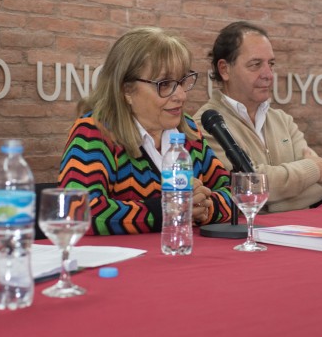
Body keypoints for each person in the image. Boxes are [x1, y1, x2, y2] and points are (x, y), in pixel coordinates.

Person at [58, 27, 233, 235]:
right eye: (165, 84)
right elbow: (78, 211)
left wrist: (202, 207)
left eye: (182, 81)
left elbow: (233, 192)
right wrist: (169, 210)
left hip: (184, 255)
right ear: (126, 89)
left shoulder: (188, 131)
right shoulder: (95, 131)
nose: (180, 96)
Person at [194, 21, 322, 212]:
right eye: (255, 65)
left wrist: (266, 201)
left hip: (302, 236)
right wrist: (313, 170)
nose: (268, 74)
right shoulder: (205, 125)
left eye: (271, 64)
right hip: (247, 239)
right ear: (224, 69)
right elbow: (243, 189)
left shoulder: (283, 120)